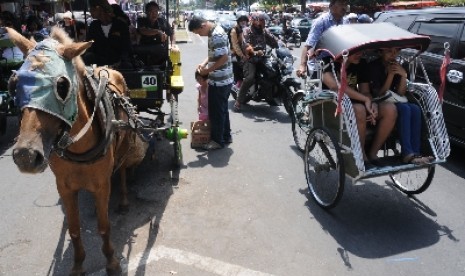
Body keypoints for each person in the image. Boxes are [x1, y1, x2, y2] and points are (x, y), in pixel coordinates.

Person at [322, 51, 397, 168]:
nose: (359, 54)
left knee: (390, 109)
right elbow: (334, 86)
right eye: (355, 52)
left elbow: (365, 91)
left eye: (361, 51)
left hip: (355, 102)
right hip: (333, 105)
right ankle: (361, 155)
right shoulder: (328, 61)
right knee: (359, 109)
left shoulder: (361, 64)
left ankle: (372, 153)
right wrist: (365, 100)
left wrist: (372, 104)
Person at [369, 48, 433, 164]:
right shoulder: (374, 67)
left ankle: (416, 152)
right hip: (378, 101)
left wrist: (403, 75)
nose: (393, 55)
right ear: (381, 52)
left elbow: (401, 93)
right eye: (389, 51)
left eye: (396, 51)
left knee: (415, 109)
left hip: (393, 99)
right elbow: (380, 94)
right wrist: (390, 75)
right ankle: (407, 153)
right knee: (405, 109)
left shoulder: (397, 65)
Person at [188, 17, 233, 150]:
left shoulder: (216, 35)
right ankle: (226, 136)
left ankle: (217, 141)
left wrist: (207, 70)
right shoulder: (216, 32)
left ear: (203, 26)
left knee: (216, 112)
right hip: (224, 78)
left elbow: (223, 58)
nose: (199, 35)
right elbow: (216, 54)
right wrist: (204, 63)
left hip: (220, 80)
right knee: (222, 109)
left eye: (197, 32)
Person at [233, 13, 278, 111]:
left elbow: (274, 40)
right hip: (250, 59)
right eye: (260, 20)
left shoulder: (264, 31)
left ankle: (270, 93)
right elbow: (246, 44)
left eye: (263, 20)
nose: (263, 22)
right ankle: (238, 102)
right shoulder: (247, 30)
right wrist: (254, 51)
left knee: (275, 70)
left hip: (264, 57)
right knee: (249, 78)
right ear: (253, 21)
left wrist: (283, 44)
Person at [296, 0, 349, 78]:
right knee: (329, 87)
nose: (344, 7)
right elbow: (309, 44)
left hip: (340, 62)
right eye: (341, 4)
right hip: (322, 64)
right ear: (331, 6)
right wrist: (302, 65)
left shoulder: (346, 22)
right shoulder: (321, 21)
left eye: (346, 4)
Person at [83, 0, 132, 67]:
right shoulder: (94, 26)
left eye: (92, 9)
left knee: (126, 65)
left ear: (99, 8)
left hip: (118, 61)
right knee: (88, 57)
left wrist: (120, 61)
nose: (90, 12)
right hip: (99, 61)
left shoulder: (120, 25)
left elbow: (126, 46)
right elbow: (89, 45)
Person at [135, 1, 176, 66]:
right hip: (144, 51)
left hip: (160, 52)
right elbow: (143, 30)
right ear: (146, 12)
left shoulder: (162, 21)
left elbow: (171, 33)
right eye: (151, 11)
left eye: (156, 11)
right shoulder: (141, 20)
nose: (154, 14)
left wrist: (173, 45)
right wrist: (158, 31)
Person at [230, 14, 249, 94]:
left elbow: (244, 41)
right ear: (238, 21)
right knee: (238, 65)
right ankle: (236, 85)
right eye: (241, 20)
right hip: (234, 52)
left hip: (242, 51)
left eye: (245, 20)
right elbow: (235, 45)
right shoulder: (234, 30)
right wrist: (241, 55)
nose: (243, 22)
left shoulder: (242, 29)